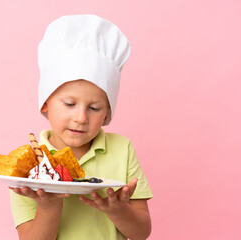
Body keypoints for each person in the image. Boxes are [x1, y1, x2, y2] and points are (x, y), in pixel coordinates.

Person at [9, 14, 153, 240]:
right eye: (69, 104)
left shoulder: (122, 149)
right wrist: (48, 206)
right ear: (45, 103)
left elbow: (142, 232)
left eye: (94, 108)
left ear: (108, 112)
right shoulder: (27, 165)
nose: (81, 117)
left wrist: (118, 210)